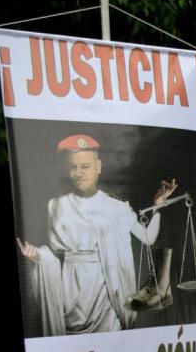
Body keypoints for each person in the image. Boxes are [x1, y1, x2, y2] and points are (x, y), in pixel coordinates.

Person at [16, 134, 177, 336]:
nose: (78, 173)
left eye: (85, 166)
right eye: (72, 167)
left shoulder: (116, 207)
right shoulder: (56, 206)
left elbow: (147, 237)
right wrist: (38, 256)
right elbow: (54, 258)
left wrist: (157, 207)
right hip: (71, 297)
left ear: (98, 167)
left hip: (108, 296)